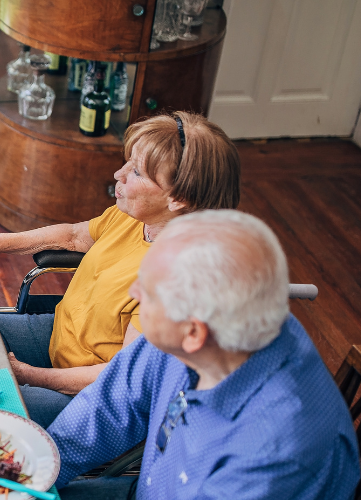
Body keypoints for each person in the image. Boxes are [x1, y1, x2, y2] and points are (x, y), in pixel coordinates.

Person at [0, 111, 241, 427]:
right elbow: (73, 235)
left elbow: (119, 377)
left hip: (89, 395)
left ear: (178, 198)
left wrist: (29, 376)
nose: (118, 174)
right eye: (127, 162)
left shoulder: (178, 283)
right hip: (58, 336)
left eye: (136, 173)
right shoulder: (136, 217)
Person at [49, 210, 360, 499]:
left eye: (150, 291)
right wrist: (33, 472)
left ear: (194, 334)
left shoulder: (276, 450)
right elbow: (108, 407)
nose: (134, 294)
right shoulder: (209, 324)